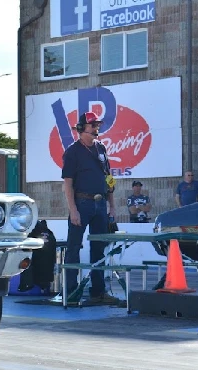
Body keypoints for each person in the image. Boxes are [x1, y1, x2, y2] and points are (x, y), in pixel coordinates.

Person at [61, 111, 119, 305]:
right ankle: (70, 292)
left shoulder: (101, 148)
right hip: (82, 203)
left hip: (101, 204)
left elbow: (108, 179)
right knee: (73, 248)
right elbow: (67, 183)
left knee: (99, 248)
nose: (96, 129)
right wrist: (73, 210)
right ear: (81, 129)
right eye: (92, 125)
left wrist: (112, 205)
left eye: (97, 126)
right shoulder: (72, 151)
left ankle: (98, 292)